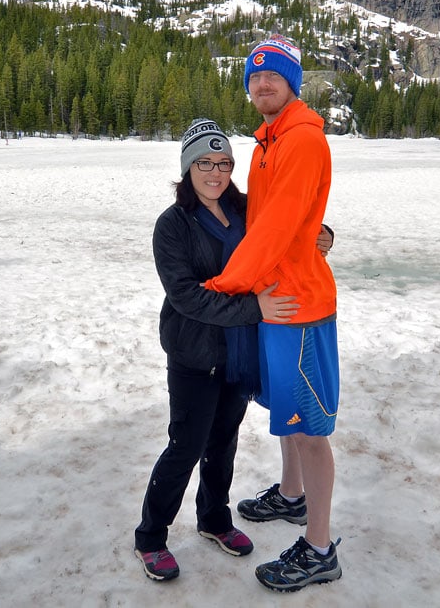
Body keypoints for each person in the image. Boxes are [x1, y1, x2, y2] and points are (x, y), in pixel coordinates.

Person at [133, 118, 332, 582]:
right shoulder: (173, 225)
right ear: (188, 167)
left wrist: (323, 235)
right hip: (195, 354)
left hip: (238, 352)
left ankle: (214, 519)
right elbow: (187, 296)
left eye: (223, 162)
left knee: (224, 441)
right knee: (186, 445)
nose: (215, 172)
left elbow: (289, 225)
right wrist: (254, 308)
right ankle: (151, 536)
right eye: (204, 162)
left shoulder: (247, 209)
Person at [205, 34, 342, 592]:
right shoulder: (268, 143)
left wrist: (223, 286)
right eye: (254, 76)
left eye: (274, 75)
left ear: (293, 82)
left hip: (300, 305)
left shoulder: (302, 140)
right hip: (276, 299)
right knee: (287, 412)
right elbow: (270, 215)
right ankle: (292, 496)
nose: (262, 83)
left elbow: (279, 227)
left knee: (309, 427)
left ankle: (319, 545)